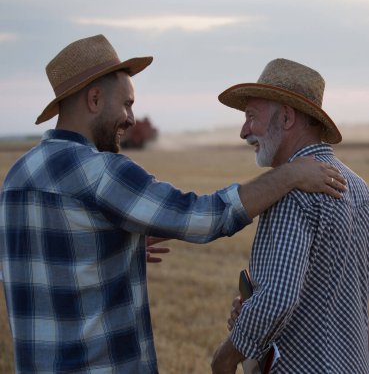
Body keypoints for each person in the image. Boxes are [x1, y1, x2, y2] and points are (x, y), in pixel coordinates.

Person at [0, 36, 345, 374]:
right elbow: (206, 217)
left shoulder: (15, 178)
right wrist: (290, 176)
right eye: (127, 104)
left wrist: (116, 247)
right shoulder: (100, 173)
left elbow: (44, 263)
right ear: (93, 99)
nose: (132, 119)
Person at [211, 58, 369, 374]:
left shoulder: (291, 189)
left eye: (251, 117)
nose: (244, 131)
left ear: (285, 117)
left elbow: (278, 298)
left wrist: (226, 357)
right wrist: (251, 311)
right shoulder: (360, 187)